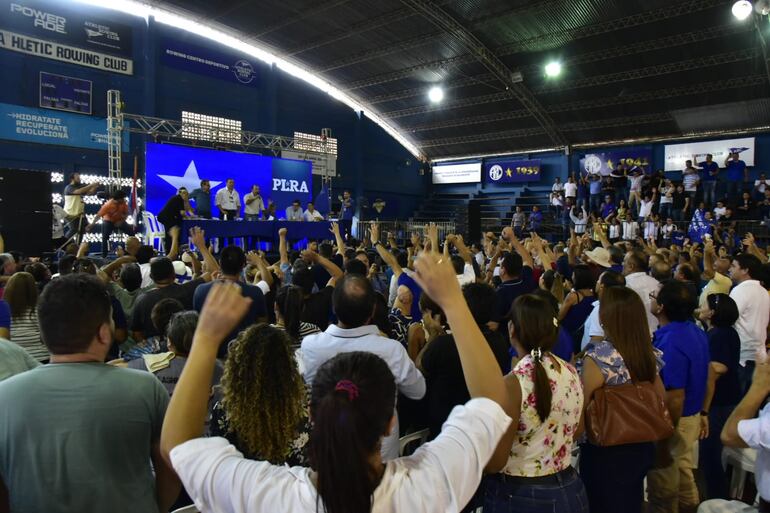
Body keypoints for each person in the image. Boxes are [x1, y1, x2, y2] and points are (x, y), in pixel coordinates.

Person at [161, 254, 515, 513]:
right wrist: (454, 303)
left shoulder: (268, 496)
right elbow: (494, 403)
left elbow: (176, 446)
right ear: (390, 421)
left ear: (312, 411)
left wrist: (205, 340)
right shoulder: (429, 484)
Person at [0, 274, 180, 513]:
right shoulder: (146, 388)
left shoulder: (5, 396)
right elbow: (171, 467)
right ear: (104, 333)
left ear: (44, 336)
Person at [300, 274, 426, 460]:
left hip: (331, 452)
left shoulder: (310, 345)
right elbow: (418, 390)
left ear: (334, 308)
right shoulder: (391, 350)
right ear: (373, 310)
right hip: (380, 455)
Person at [484, 293, 586, 512]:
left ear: (512, 329)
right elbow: (578, 429)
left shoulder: (513, 383)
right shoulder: (569, 371)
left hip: (521, 495)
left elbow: (496, 462)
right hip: (569, 486)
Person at [579, 286, 665, 513]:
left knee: (602, 502)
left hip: (606, 447)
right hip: (641, 441)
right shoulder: (648, 353)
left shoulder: (599, 357)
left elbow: (583, 405)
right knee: (630, 499)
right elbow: (661, 397)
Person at [647, 280, 709, 513]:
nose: (651, 298)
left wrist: (663, 440)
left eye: (654, 295)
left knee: (663, 486)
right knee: (683, 472)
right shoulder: (694, 330)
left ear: (661, 307)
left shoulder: (671, 342)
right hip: (690, 416)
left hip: (675, 420)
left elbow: (674, 396)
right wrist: (704, 411)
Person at [419, 282, 510, 438]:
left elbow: (420, 366)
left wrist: (433, 335)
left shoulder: (444, 344)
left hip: (445, 430)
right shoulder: (500, 342)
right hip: (482, 429)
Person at [697, 293, 742, 500]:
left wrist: (704, 410)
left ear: (713, 312)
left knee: (710, 454)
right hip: (722, 401)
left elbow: (715, 370)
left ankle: (718, 499)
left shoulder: (720, 336)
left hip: (720, 403)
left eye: (704, 305)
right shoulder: (721, 333)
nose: (701, 307)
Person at [193, 245, 268, 356]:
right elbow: (262, 324)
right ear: (243, 265)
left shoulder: (200, 290)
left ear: (220, 263)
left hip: (210, 356)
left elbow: (197, 322)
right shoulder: (255, 292)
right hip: (246, 354)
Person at [729, 253, 770, 393]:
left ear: (745, 270)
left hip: (742, 356)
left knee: (737, 405)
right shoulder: (763, 291)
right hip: (759, 355)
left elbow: (728, 318)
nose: (730, 269)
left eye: (734, 266)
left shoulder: (741, 290)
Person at [3, 272, 48, 362]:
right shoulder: (39, 310)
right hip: (41, 358)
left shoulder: (4, 311)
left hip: (13, 359)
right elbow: (46, 337)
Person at [580, 270, 626, 350]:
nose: (596, 282)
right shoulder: (618, 305)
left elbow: (596, 340)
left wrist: (580, 358)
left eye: (598, 280)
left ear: (602, 286)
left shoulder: (600, 309)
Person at [623, 249, 660, 335]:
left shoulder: (625, 285)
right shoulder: (656, 283)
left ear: (631, 266)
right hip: (655, 335)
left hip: (633, 337)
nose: (622, 264)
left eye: (624, 261)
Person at [559, 264, 596, 350]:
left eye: (573, 275)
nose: (571, 276)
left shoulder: (573, 296)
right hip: (584, 334)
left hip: (568, 333)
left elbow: (559, 316)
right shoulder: (594, 294)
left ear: (577, 278)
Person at [89, 190, 133, 257]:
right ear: (118, 199)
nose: (124, 199)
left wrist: (121, 221)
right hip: (108, 221)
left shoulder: (123, 203)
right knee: (105, 237)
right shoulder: (108, 205)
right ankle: (104, 255)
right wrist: (92, 224)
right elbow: (98, 215)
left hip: (119, 220)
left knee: (131, 232)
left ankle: (129, 252)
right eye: (122, 198)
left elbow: (126, 213)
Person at [63, 172, 100, 244]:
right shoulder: (69, 187)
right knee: (74, 229)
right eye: (77, 177)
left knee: (82, 230)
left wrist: (94, 187)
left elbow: (90, 193)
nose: (79, 178)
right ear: (72, 179)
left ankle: (77, 247)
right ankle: (64, 244)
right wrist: (91, 185)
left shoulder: (78, 188)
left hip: (79, 214)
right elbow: (79, 191)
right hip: (71, 213)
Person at [157, 187, 189, 252]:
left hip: (167, 217)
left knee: (171, 232)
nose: (186, 196)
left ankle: (172, 251)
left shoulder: (178, 199)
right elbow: (182, 213)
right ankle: (170, 251)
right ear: (181, 193)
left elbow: (181, 212)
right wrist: (188, 217)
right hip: (166, 217)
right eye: (185, 194)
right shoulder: (179, 199)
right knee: (171, 233)